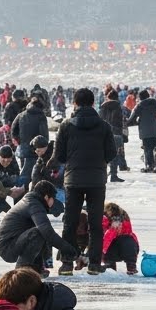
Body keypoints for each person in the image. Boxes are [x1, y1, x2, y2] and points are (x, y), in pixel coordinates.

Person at [53, 88, 117, 276]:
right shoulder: (104, 126)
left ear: (75, 103)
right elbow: (112, 153)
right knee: (95, 223)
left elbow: (60, 155)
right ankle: (94, 264)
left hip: (73, 180)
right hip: (97, 181)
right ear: (92, 103)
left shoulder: (66, 126)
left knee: (70, 222)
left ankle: (66, 263)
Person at [0, 180, 77, 273]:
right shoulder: (33, 204)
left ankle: (36, 268)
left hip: (12, 242)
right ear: (46, 197)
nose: (54, 201)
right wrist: (69, 250)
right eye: (53, 198)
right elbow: (47, 232)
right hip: (7, 246)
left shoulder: (33, 201)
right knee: (38, 233)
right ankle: (22, 271)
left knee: (40, 232)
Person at [127, 89, 156, 172]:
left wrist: (136, 122)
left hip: (145, 130)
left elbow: (132, 119)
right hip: (155, 130)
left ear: (141, 97)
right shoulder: (154, 103)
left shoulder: (139, 106)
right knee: (151, 148)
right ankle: (151, 166)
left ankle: (149, 166)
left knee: (147, 149)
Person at [12, 98, 49, 183]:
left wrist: (19, 141)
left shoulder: (21, 114)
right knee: (34, 173)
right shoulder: (41, 116)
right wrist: (45, 146)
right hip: (36, 149)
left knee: (24, 170)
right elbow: (44, 133)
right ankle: (23, 190)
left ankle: (22, 190)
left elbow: (13, 130)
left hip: (22, 149)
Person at [101, 202, 140, 274]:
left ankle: (131, 266)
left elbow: (109, 236)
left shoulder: (122, 221)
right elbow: (105, 238)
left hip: (124, 249)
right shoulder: (104, 220)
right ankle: (110, 266)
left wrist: (102, 252)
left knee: (128, 241)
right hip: (112, 250)